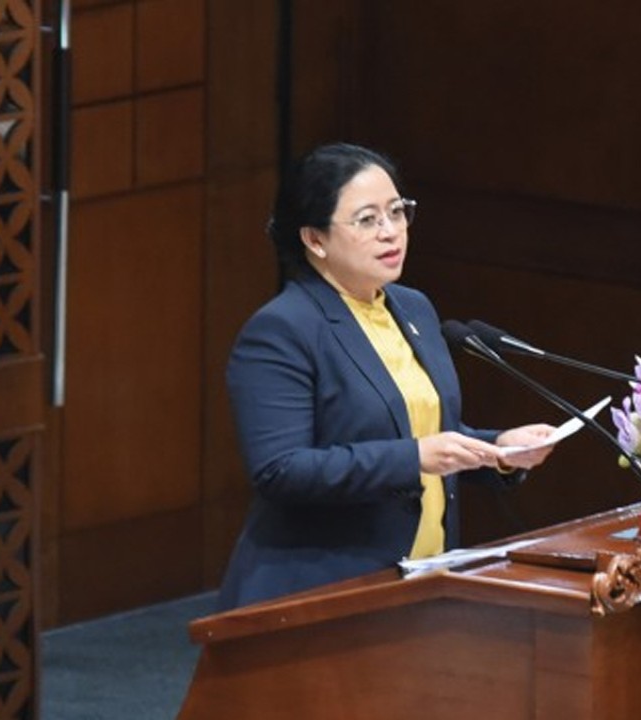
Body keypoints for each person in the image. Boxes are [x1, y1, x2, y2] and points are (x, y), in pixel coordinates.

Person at [216, 143, 555, 610]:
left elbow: (420, 435)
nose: (391, 232)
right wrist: (413, 457)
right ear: (315, 239)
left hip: (426, 576)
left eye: (397, 212)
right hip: (323, 588)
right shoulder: (283, 329)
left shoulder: (411, 307)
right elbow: (281, 469)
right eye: (367, 220)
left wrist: (499, 450)